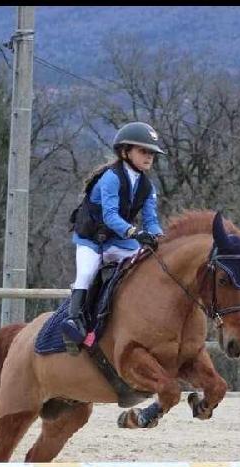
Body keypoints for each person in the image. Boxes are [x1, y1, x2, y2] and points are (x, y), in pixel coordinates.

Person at [63, 121, 165, 345]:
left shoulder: (148, 187)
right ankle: (73, 322)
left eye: (152, 153)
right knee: (87, 273)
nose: (149, 157)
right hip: (91, 240)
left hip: (118, 241)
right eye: (143, 151)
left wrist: (160, 238)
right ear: (125, 151)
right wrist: (134, 232)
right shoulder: (111, 178)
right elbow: (110, 217)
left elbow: (151, 220)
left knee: (145, 267)